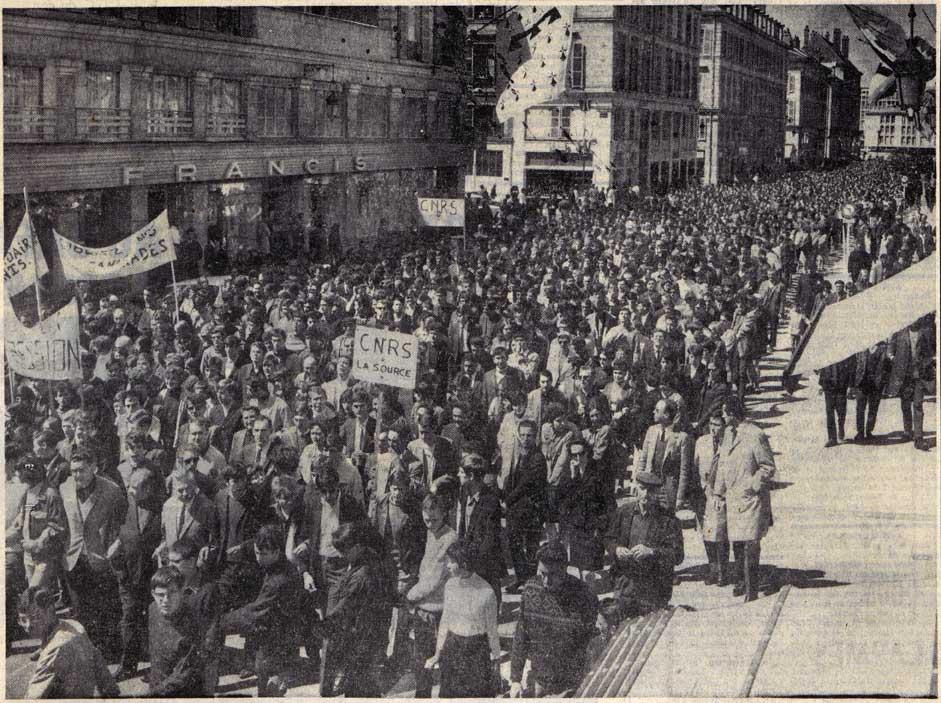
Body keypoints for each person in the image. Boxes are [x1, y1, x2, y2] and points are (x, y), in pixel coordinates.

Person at [58, 451, 128, 661]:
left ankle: (110, 652)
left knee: (104, 606)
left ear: (94, 467)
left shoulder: (112, 490)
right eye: (73, 471)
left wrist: (116, 543)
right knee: (80, 608)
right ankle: (88, 651)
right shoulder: (64, 488)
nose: (76, 476)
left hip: (99, 556)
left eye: (81, 471)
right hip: (72, 556)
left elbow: (123, 521)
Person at [222, 524, 305, 697]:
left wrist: (220, 621)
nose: (258, 558)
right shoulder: (278, 563)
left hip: (274, 645)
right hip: (280, 640)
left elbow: (254, 612)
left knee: (266, 689)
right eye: (257, 552)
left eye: (263, 554)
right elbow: (254, 544)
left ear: (276, 552)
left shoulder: (278, 580)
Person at [509, 541, 599, 697]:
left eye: (552, 575)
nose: (545, 582)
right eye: (542, 574)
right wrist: (516, 679)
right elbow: (521, 636)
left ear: (564, 569)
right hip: (539, 680)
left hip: (572, 686)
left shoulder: (585, 596)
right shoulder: (530, 590)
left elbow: (590, 645)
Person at [315, 522, 391, 697]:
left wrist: (322, 627)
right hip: (368, 636)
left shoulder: (362, 574)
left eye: (344, 551)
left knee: (358, 687)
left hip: (361, 638)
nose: (341, 556)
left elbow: (346, 606)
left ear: (357, 547)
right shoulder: (368, 557)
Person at [712, 400, 776, 602]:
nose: (722, 417)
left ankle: (752, 590)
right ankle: (741, 582)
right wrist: (718, 493)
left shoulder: (755, 434)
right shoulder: (728, 435)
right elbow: (722, 466)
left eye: (724, 413)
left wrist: (752, 485)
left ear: (732, 413)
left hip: (750, 501)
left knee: (750, 544)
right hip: (733, 499)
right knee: (737, 543)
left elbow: (767, 467)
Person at [603, 471, 684, 626]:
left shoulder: (668, 520)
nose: (646, 494)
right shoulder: (623, 513)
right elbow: (608, 538)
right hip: (625, 586)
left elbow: (678, 555)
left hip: (653, 590)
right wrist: (616, 549)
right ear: (636, 489)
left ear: (658, 493)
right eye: (642, 488)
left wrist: (652, 552)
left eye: (651, 491)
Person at [109, 467, 165, 679]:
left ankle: (157, 666)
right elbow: (113, 536)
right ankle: (128, 665)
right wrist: (120, 569)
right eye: (129, 486)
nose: (131, 491)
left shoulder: (161, 508)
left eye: (136, 487)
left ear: (149, 487)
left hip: (152, 577)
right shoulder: (123, 505)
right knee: (129, 619)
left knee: (154, 620)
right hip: (128, 575)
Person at [426, 541, 501, 697]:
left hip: (477, 653)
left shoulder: (487, 592)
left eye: (452, 561)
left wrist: (496, 662)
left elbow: (492, 631)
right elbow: (445, 622)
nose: (448, 565)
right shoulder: (450, 585)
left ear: (464, 563)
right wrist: (437, 654)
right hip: (452, 649)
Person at [18, 586, 120, 698]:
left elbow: (33, 698)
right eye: (23, 619)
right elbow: (98, 662)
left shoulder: (56, 648)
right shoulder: (73, 625)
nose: (28, 625)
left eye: (35, 616)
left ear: (50, 610)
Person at [406, 493, 458, 698]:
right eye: (426, 519)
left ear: (444, 514)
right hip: (423, 609)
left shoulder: (450, 538)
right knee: (421, 663)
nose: (429, 524)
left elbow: (434, 577)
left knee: (444, 661)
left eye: (434, 519)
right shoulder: (428, 532)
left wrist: (409, 596)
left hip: (439, 610)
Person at [148, 564, 220, 696]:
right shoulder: (153, 609)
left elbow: (184, 673)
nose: (165, 600)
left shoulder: (193, 621)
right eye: (160, 595)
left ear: (182, 592)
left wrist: (153, 694)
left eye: (172, 593)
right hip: (157, 684)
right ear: (153, 594)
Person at [501, 419, 548, 593]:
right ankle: (521, 579)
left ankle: (529, 582)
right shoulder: (521, 453)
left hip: (531, 510)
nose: (525, 438)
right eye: (522, 435)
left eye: (529, 435)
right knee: (514, 544)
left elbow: (526, 485)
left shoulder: (537, 458)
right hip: (518, 510)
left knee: (531, 547)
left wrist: (507, 501)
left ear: (535, 437)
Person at [455, 453, 506, 605]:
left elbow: (490, 538)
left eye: (461, 472)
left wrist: (473, 559)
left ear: (470, 475)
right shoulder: (464, 491)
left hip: (485, 557)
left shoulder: (490, 501)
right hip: (469, 553)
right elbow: (463, 523)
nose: (458, 474)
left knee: (489, 593)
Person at [886, 316, 936, 451]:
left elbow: (931, 351)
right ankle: (908, 431)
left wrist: (927, 362)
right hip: (905, 376)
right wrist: (892, 357)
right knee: (905, 404)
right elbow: (890, 348)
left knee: (918, 404)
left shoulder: (924, 332)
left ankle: (918, 438)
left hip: (919, 376)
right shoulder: (900, 332)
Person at [634, 399, 693, 512]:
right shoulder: (651, 431)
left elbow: (684, 471)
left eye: (656, 410)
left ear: (666, 415)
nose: (653, 412)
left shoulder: (681, 438)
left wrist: (680, 498)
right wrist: (638, 482)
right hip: (649, 487)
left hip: (667, 491)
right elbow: (643, 459)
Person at [694, 412, 729, 585]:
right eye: (711, 424)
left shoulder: (729, 443)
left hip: (722, 495)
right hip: (705, 493)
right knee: (707, 534)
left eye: (717, 425)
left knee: (721, 534)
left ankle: (723, 570)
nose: (713, 429)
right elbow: (694, 466)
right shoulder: (701, 442)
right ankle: (712, 569)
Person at [853, 342, 891, 442]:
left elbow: (887, 368)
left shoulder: (883, 348)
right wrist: (853, 383)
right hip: (862, 383)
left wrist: (884, 382)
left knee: (873, 409)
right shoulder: (861, 347)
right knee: (860, 409)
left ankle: (869, 431)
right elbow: (855, 364)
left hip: (876, 385)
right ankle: (860, 432)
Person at [817, 355, 856, 447]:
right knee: (829, 412)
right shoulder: (827, 351)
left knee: (841, 411)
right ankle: (832, 438)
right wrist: (821, 385)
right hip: (828, 386)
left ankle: (841, 428)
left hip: (841, 386)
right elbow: (823, 368)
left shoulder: (846, 352)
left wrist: (850, 386)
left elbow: (851, 368)